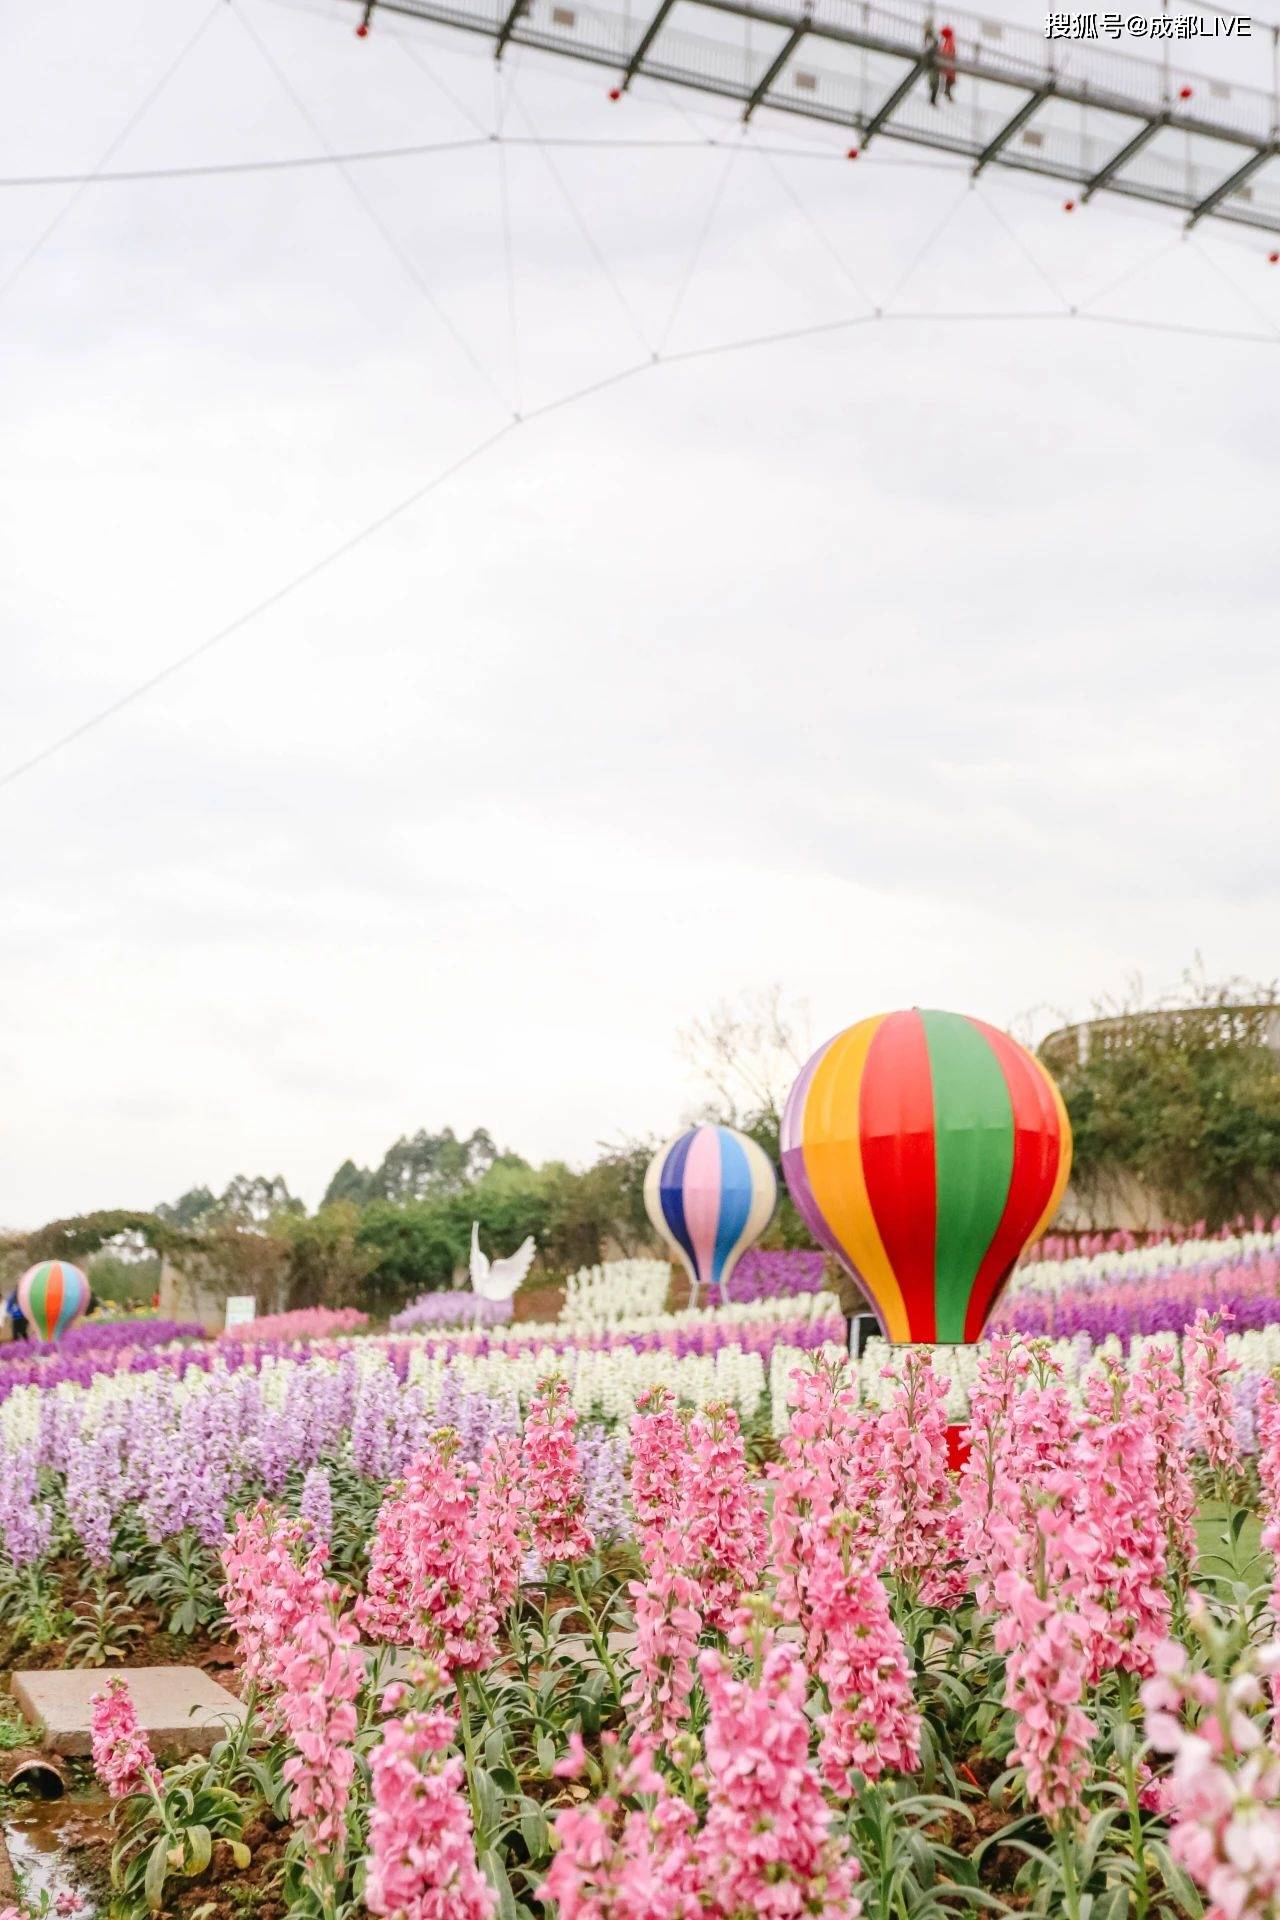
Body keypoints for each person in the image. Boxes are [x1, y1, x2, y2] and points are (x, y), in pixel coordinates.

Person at [939, 23, 957, 101]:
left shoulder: (949, 41)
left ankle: (947, 91)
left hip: (948, 63)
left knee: (949, 79)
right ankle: (947, 92)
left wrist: (942, 54)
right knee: (949, 79)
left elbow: (947, 51)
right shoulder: (950, 40)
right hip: (949, 63)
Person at [925, 21, 940, 106]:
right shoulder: (929, 41)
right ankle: (932, 100)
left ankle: (933, 99)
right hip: (932, 66)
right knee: (934, 82)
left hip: (933, 66)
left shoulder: (931, 41)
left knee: (934, 83)